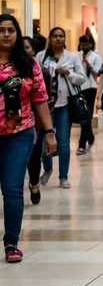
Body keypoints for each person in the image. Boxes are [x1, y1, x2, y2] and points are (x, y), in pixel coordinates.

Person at [0, 16, 56, 262]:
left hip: (20, 133)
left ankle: (11, 242)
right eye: (1, 31)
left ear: (18, 33)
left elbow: (40, 98)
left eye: (11, 30)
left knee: (12, 188)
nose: (6, 35)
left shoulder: (28, 64)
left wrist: (50, 131)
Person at [36, 27, 85, 189]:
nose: (58, 39)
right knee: (44, 143)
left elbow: (81, 79)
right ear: (50, 38)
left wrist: (67, 73)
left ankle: (63, 176)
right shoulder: (41, 56)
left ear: (65, 39)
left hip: (64, 105)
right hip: (45, 106)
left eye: (61, 36)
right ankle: (48, 168)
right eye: (55, 36)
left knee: (63, 143)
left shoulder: (72, 57)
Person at [22, 37, 49, 205]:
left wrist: (47, 127)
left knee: (33, 158)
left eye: (27, 48)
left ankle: (34, 183)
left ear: (33, 50)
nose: (24, 51)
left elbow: (45, 99)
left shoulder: (40, 70)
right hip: (10, 123)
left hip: (35, 123)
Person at [76, 34, 102, 155]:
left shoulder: (96, 57)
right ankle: (90, 137)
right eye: (82, 44)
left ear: (91, 44)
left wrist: (88, 64)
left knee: (87, 116)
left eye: (86, 44)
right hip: (79, 89)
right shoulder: (76, 56)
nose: (84, 46)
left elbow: (97, 74)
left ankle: (82, 144)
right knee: (83, 117)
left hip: (91, 88)